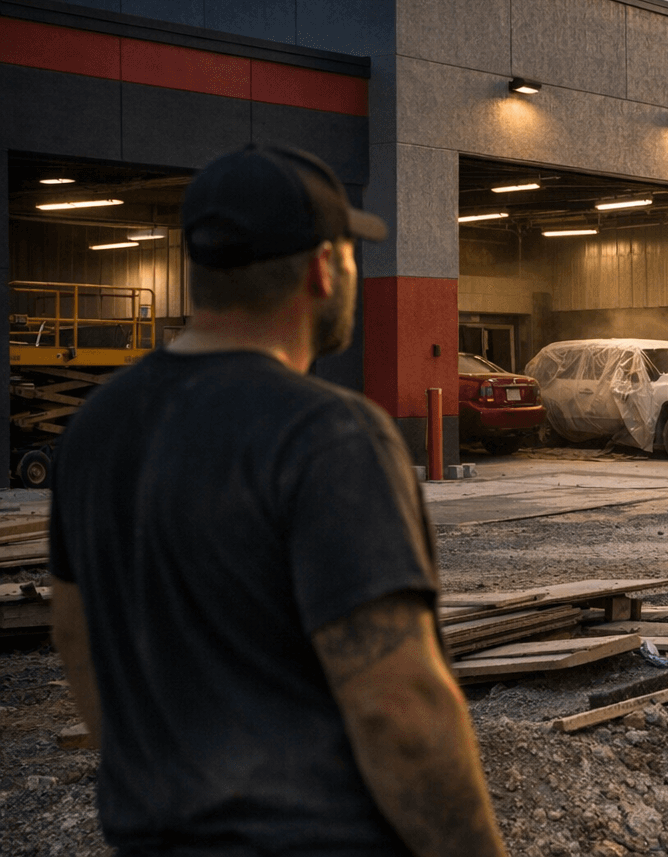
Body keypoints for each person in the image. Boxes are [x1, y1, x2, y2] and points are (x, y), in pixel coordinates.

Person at [48, 144, 508, 857]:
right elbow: (401, 710)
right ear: (326, 268)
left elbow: (76, 637)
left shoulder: (94, 428)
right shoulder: (328, 436)